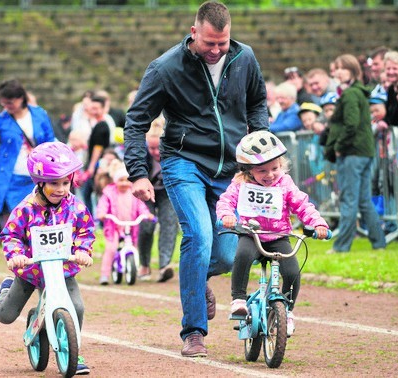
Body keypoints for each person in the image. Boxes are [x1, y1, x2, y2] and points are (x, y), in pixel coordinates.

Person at [124, 1, 269, 357]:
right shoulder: (165, 68)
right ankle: (193, 331)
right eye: (209, 43)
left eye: (222, 43)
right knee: (199, 237)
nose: (216, 50)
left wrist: (259, 152)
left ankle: (197, 276)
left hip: (231, 168)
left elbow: (257, 103)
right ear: (194, 33)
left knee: (228, 253)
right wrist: (138, 172)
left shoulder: (244, 57)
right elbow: (137, 120)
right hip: (183, 161)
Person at [0, 141, 94, 375]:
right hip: (30, 271)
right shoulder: (25, 209)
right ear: (39, 183)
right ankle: (4, 290)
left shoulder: (75, 207)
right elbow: (11, 235)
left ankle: (73, 351)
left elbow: (85, 230)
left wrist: (82, 251)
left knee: (76, 306)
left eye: (65, 183)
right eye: (54, 183)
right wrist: (16, 255)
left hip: (62, 270)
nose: (60, 189)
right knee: (6, 316)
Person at [216, 131, 329, 336]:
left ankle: (287, 311)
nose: (270, 175)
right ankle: (239, 299)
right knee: (242, 256)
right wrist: (226, 216)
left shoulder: (285, 183)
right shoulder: (241, 183)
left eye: (274, 168)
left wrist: (318, 224)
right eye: (262, 171)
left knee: (293, 272)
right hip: (251, 234)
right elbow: (226, 201)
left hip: (278, 236)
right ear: (249, 171)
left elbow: (302, 205)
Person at [0, 79, 55, 228]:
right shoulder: (0, 120)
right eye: (3, 103)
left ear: (21, 98)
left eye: (10, 103)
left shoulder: (39, 114)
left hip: (37, 178)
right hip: (10, 178)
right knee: (14, 224)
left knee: (37, 223)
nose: (6, 107)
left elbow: (51, 144)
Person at [324, 54, 386, 254]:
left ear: (352, 71)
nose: (338, 72)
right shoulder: (358, 92)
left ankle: (342, 246)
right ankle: (379, 243)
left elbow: (350, 124)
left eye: (342, 68)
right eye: (336, 68)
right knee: (363, 200)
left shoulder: (350, 94)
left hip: (352, 153)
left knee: (349, 200)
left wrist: (339, 146)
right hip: (365, 152)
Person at [94, 160, 151, 285]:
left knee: (132, 245)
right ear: (115, 181)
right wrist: (102, 214)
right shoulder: (109, 193)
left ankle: (131, 267)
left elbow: (141, 206)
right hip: (114, 226)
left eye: (127, 180)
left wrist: (146, 214)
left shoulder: (133, 193)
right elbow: (103, 204)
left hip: (130, 226)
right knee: (111, 248)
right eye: (121, 180)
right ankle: (104, 274)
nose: (124, 183)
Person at [137, 117, 179, 282]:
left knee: (169, 223)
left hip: (167, 192)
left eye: (158, 148)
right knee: (147, 225)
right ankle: (144, 264)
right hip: (146, 191)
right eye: (152, 148)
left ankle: (164, 265)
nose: (155, 152)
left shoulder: (173, 156)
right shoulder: (143, 156)